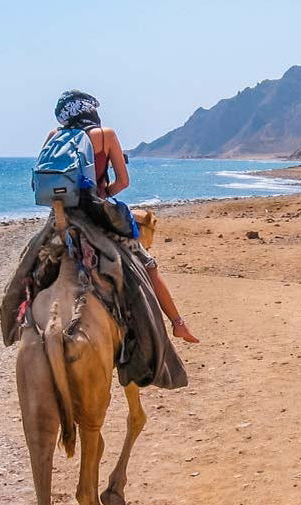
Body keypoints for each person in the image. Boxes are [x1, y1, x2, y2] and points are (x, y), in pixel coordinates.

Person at [46, 90, 199, 344]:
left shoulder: (54, 136)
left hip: (60, 217)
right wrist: (103, 193)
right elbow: (123, 181)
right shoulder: (105, 135)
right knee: (147, 265)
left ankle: (17, 324)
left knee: (30, 266)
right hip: (97, 217)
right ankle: (178, 324)